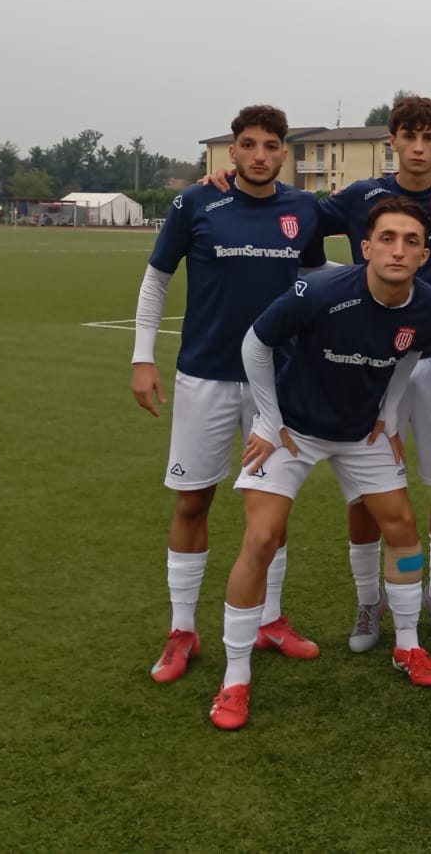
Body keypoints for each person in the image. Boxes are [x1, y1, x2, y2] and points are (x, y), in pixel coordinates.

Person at [209, 196, 431, 730]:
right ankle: (235, 676)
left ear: (424, 255)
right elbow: (255, 343)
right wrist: (269, 419)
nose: (398, 250)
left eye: (411, 241)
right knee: (261, 538)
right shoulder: (319, 292)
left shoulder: (430, 305)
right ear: (366, 248)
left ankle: (407, 643)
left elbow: (410, 353)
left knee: (403, 529)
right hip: (292, 429)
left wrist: (389, 412)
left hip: (361, 432)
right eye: (387, 239)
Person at [131, 104, 330, 684]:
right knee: (193, 502)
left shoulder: (304, 209)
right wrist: (142, 357)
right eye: (248, 144)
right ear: (233, 150)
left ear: (284, 152)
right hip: (206, 377)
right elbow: (157, 279)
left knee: (270, 509)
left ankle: (270, 620)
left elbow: (313, 282)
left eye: (270, 145)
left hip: (277, 385)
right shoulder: (196, 203)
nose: (259, 155)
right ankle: (182, 630)